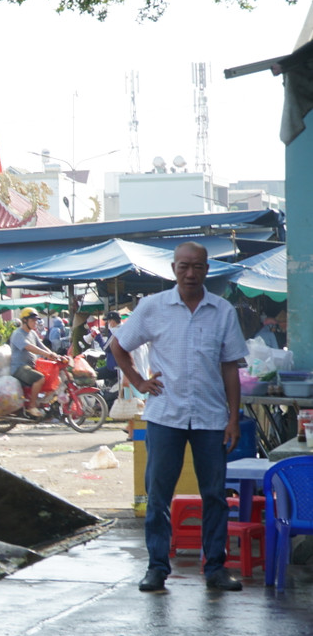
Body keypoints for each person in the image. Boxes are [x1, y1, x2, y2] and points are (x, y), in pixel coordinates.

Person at [109, 242, 247, 593]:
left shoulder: (222, 311)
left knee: (214, 495)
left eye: (197, 266)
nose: (190, 273)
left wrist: (233, 419)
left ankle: (215, 568)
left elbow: (230, 367)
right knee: (158, 495)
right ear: (173, 268)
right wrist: (139, 382)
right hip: (165, 415)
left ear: (206, 269)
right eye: (184, 266)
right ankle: (157, 568)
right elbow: (118, 345)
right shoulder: (153, 307)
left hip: (211, 419)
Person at [9, 308, 54, 417]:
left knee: (50, 378)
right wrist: (48, 355)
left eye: (36, 320)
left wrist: (55, 355)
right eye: (32, 320)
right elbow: (30, 347)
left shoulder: (33, 333)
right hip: (19, 368)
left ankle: (43, 405)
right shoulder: (18, 334)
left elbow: (42, 346)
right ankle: (31, 407)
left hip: (30, 366)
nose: (35, 323)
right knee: (39, 378)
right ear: (25, 321)